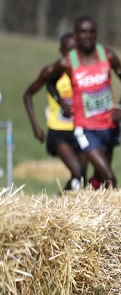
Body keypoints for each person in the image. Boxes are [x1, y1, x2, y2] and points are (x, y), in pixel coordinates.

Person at [47, 17, 121, 189]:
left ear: (96, 34)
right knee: (110, 178)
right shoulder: (67, 63)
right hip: (86, 129)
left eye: (92, 32)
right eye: (83, 32)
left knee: (100, 179)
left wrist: (120, 106)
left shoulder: (107, 55)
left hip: (109, 126)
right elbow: (50, 83)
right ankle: (115, 215)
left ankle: (87, 210)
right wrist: (62, 104)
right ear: (76, 35)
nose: (88, 36)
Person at [23, 32, 85, 190]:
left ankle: (59, 205)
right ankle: (57, 207)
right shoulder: (50, 71)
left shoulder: (82, 72)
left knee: (81, 176)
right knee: (77, 172)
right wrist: (35, 126)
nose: (73, 54)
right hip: (58, 132)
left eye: (76, 50)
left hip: (80, 130)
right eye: (69, 50)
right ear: (62, 51)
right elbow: (28, 95)